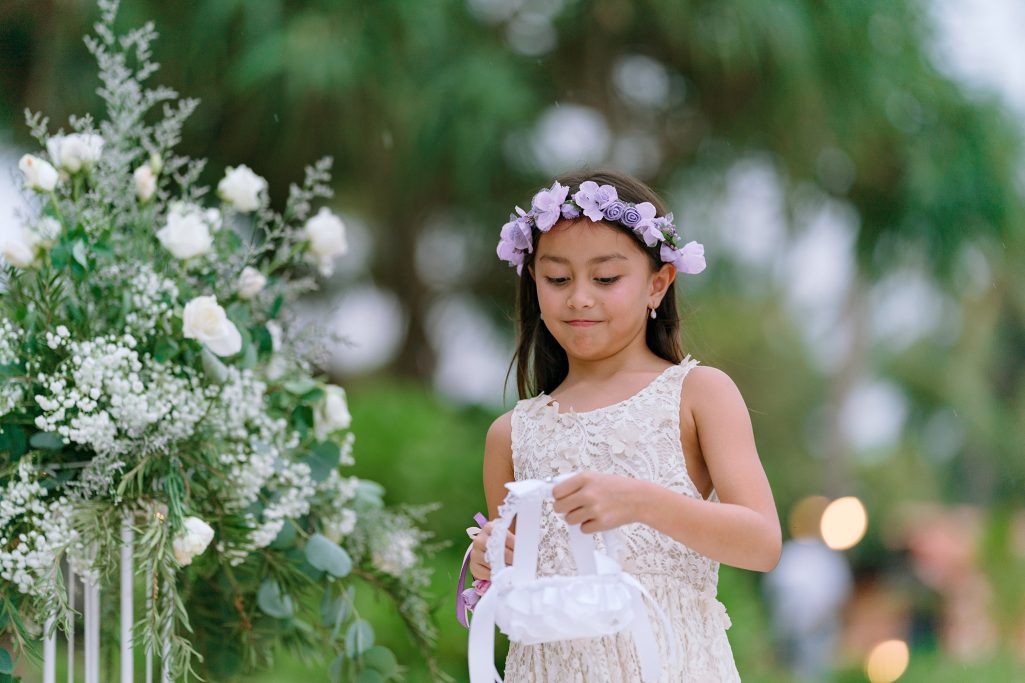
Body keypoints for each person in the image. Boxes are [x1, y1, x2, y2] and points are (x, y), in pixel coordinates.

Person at [468, 170, 782, 682]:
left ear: (658, 284)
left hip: (672, 666)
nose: (580, 298)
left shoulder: (699, 394)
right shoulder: (511, 433)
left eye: (606, 278)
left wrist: (639, 501)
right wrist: (489, 561)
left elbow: (763, 542)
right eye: (558, 279)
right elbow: (518, 583)